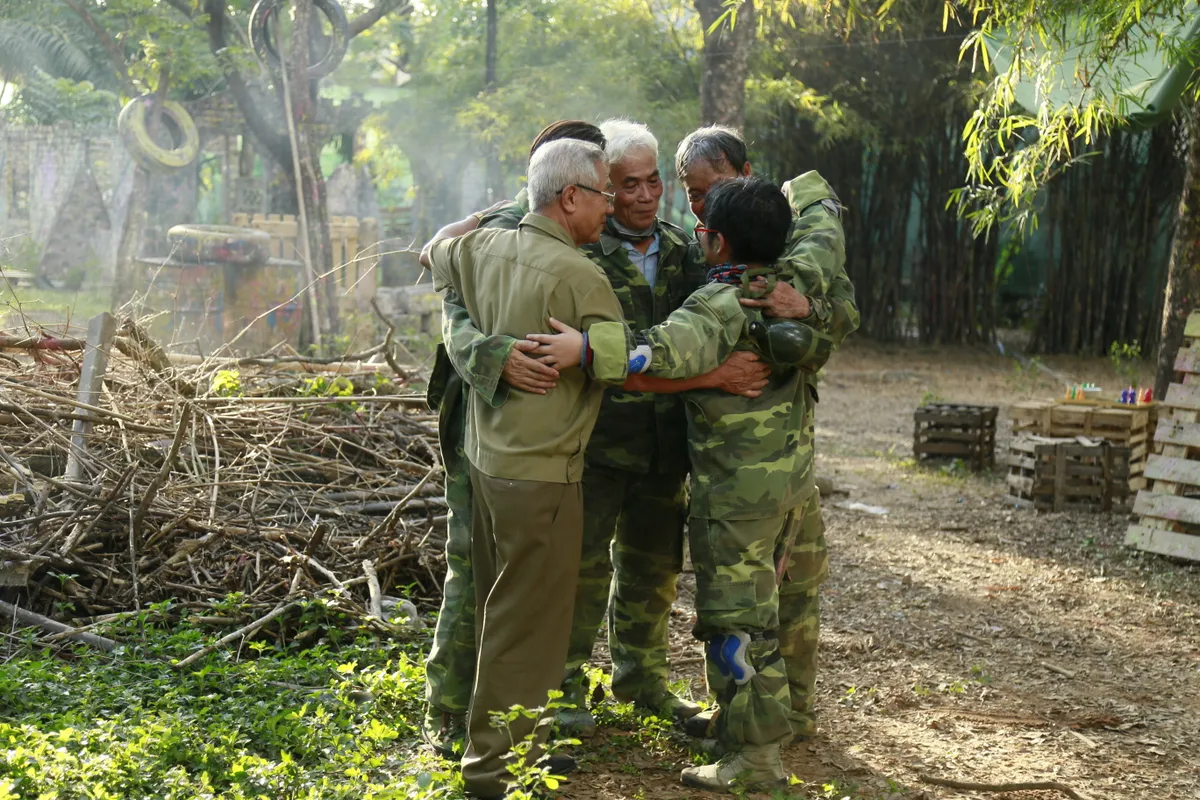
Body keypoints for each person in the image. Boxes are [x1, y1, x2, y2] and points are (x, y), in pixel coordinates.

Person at [429, 119, 775, 745]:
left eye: (652, 183)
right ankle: (557, 694)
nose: (642, 197)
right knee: (576, 579)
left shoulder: (684, 249)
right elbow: (456, 282)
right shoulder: (566, 250)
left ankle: (642, 680)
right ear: (596, 190)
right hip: (585, 443)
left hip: (661, 444)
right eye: (624, 186)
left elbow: (698, 334)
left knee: (653, 570)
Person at [525, 176, 829, 792]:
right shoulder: (792, 292)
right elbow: (828, 243)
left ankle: (755, 760)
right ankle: (787, 719)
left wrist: (581, 346)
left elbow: (654, 353)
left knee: (737, 627)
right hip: (790, 489)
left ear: (712, 241)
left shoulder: (718, 306)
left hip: (734, 502)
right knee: (776, 612)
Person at [421, 138, 626, 800]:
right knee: (529, 630)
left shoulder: (480, 249)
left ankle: (482, 749)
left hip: (484, 464)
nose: (611, 209)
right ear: (571, 198)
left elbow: (432, 252)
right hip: (542, 478)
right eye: (604, 195)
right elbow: (627, 360)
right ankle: (496, 775)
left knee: (494, 606)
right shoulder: (580, 279)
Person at [674, 125, 860, 744]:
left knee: (779, 595)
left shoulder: (784, 243)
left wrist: (805, 310)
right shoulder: (709, 260)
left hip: (784, 462)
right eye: (693, 195)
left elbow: (843, 315)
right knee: (752, 603)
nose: (703, 205)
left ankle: (781, 723)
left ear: (745, 171)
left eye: (713, 189)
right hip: (753, 463)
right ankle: (753, 721)